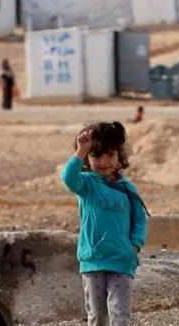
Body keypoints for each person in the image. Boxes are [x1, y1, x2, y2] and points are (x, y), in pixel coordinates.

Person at [60, 121, 149, 326]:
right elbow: (67, 178)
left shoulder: (128, 189)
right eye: (96, 156)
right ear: (87, 159)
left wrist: (134, 246)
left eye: (110, 154)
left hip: (122, 260)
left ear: (119, 156)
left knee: (120, 315)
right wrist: (81, 151)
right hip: (93, 261)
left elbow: (139, 220)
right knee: (97, 317)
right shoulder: (86, 184)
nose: (104, 161)